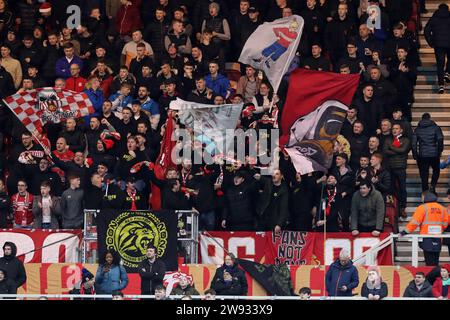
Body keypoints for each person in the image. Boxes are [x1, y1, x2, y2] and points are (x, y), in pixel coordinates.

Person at [401, 191, 449, 266]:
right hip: (438, 237)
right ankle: (435, 275)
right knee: (435, 260)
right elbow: (446, 223)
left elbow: (414, 222)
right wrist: (440, 229)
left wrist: (405, 232)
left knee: (429, 261)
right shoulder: (442, 208)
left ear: (425, 198)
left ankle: (431, 275)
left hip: (426, 238)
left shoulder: (422, 208)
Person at [383, 122, 410, 220]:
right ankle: (396, 207)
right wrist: (397, 151)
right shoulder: (388, 139)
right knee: (392, 188)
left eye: (397, 128)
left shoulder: (406, 140)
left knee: (402, 188)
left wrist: (392, 148)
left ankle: (403, 208)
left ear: (401, 130)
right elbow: (385, 151)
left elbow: (404, 150)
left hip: (401, 167)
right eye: (393, 128)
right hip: (390, 167)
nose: (394, 130)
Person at [412, 113, 444, 194]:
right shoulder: (436, 128)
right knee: (436, 170)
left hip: (422, 155)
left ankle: (425, 191)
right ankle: (433, 186)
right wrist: (439, 151)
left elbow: (413, 144)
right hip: (434, 154)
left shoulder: (417, 129)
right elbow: (440, 139)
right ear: (429, 118)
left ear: (422, 119)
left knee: (424, 174)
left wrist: (415, 155)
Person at [424, 4, 450, 94]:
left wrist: (431, 42)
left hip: (438, 44)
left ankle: (441, 85)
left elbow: (426, 30)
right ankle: (447, 73)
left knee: (440, 64)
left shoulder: (434, 18)